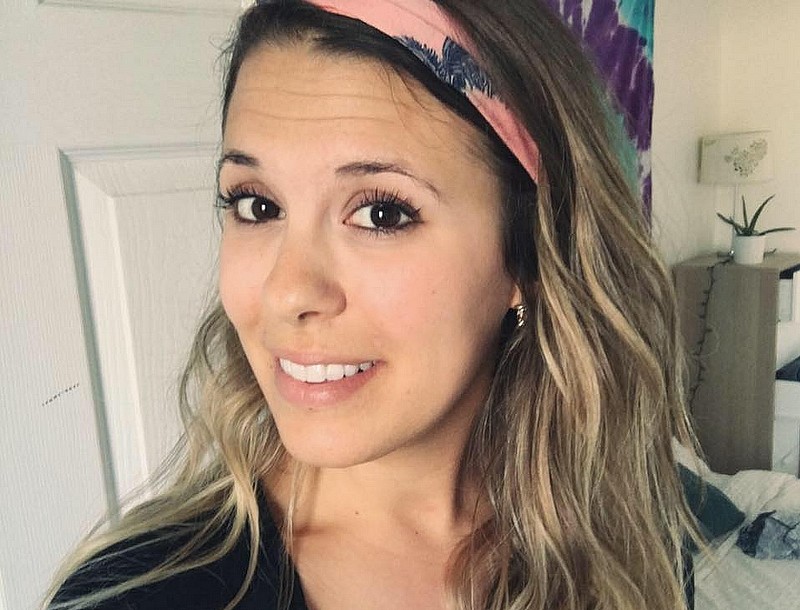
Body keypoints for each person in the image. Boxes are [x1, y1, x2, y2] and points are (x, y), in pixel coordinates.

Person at [46, 1, 698, 609]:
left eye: (382, 213)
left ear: (528, 254)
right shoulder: (135, 596)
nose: (287, 292)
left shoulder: (624, 536)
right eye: (257, 205)